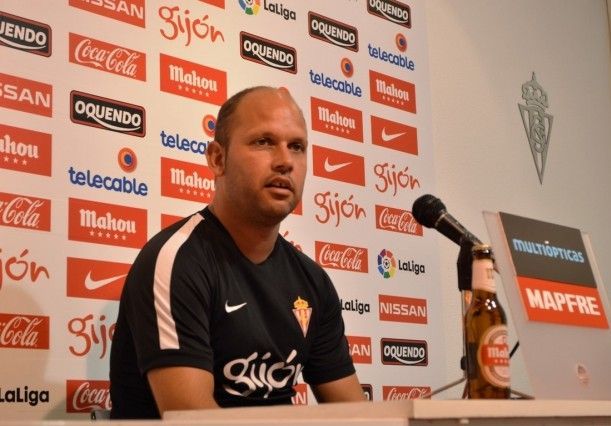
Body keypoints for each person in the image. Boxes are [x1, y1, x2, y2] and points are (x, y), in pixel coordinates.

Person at [109, 86, 366, 419]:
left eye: (297, 147)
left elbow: (356, 414)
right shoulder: (176, 261)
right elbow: (191, 418)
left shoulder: (313, 282)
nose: (285, 161)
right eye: (264, 142)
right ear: (218, 158)